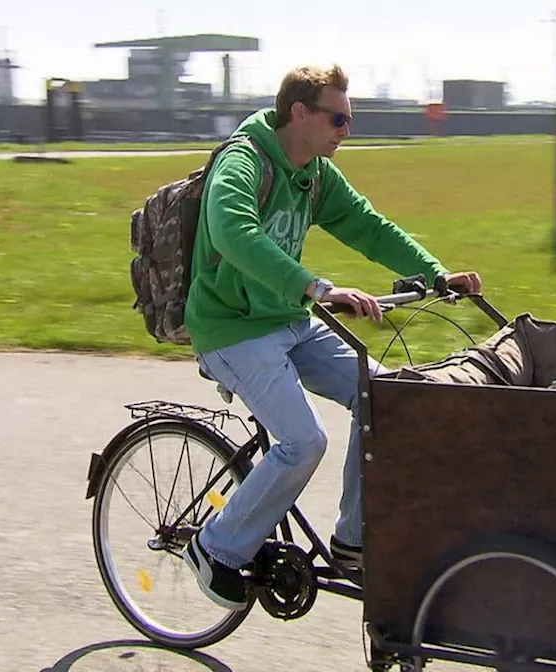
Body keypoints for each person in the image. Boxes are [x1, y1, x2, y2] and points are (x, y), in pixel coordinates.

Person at [179, 63, 482, 611]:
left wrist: (436, 273)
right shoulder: (245, 161)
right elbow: (233, 231)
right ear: (300, 113)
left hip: (287, 319)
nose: (347, 130)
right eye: (338, 119)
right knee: (304, 441)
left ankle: (353, 542)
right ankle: (216, 547)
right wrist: (316, 287)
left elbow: (368, 225)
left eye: (350, 119)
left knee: (385, 399)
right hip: (230, 328)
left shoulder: (314, 173)